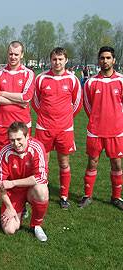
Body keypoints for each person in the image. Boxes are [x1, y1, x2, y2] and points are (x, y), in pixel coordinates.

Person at [32, 47, 82, 209]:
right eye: (54, 59)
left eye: (60, 59)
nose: (57, 62)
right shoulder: (41, 78)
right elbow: (36, 102)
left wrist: (64, 119)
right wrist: (47, 117)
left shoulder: (73, 79)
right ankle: (42, 191)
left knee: (64, 162)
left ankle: (64, 196)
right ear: (50, 60)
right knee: (42, 163)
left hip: (64, 129)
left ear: (66, 60)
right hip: (44, 128)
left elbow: (77, 104)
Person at [79, 46, 123, 210]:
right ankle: (87, 196)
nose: (105, 61)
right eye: (102, 58)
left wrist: (115, 119)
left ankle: (116, 197)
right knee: (92, 163)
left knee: (117, 164)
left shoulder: (121, 80)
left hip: (116, 131)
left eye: (108, 58)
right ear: (98, 60)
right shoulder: (91, 82)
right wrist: (98, 119)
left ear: (114, 60)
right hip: (95, 131)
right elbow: (88, 106)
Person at [0, 122, 49, 242]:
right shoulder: (5, 152)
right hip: (13, 193)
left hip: (31, 189)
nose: (16, 143)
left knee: (42, 190)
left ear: (27, 136)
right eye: (12, 140)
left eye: (19, 139)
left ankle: (36, 225)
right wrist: (9, 207)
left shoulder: (37, 147)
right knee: (9, 230)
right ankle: (20, 209)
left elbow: (41, 177)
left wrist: (13, 182)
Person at [0, 41, 35, 151]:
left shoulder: (28, 73)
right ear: (7, 54)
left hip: (23, 124)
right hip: (2, 124)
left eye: (16, 54)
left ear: (22, 55)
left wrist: (4, 93)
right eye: (10, 54)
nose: (13, 57)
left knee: (23, 158)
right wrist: (18, 102)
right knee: (2, 157)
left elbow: (26, 97)